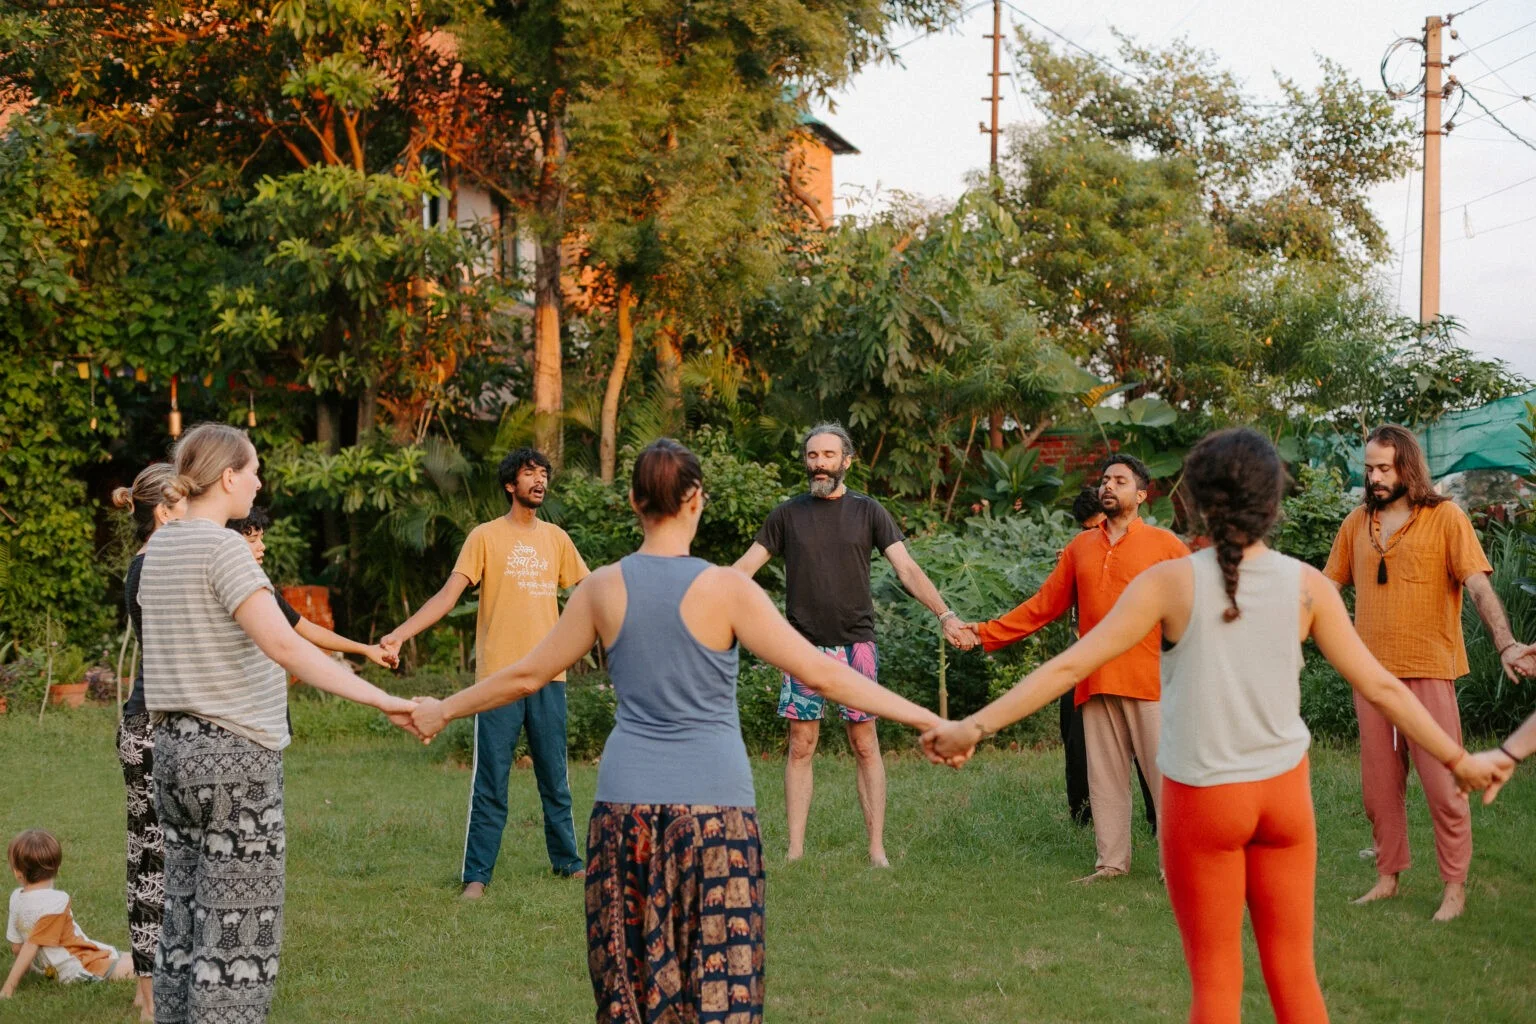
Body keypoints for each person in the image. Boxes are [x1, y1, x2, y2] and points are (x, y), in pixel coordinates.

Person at [924, 427, 1501, 1024]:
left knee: (1217, 984)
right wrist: (1461, 760)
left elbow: (1072, 662)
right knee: (1295, 976)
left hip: (1203, 802)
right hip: (1284, 800)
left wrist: (975, 726)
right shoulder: (1306, 586)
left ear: (1195, 503)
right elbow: (1381, 685)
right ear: (1273, 503)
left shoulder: (1166, 582)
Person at [406, 438, 948, 1023]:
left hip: (623, 819)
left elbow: (525, 675)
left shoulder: (600, 589)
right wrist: (931, 719)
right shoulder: (730, 591)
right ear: (697, 502)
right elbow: (822, 671)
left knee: (631, 997)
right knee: (721, 992)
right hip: (718, 819)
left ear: (637, 502)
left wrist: (443, 709)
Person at [139, 422, 418, 1024]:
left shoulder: (160, 546)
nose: (260, 480)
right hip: (234, 758)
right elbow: (287, 647)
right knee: (236, 940)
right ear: (229, 476)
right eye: (255, 469)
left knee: (183, 925)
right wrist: (383, 700)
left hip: (171, 754)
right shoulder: (223, 548)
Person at [732, 423, 968, 867]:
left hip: (856, 645)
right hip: (800, 647)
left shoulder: (868, 511)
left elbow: (908, 570)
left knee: (864, 743)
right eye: (812, 455)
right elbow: (742, 569)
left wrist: (946, 614)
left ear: (846, 461)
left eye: (827, 455)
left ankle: (876, 848)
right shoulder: (786, 515)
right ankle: (796, 851)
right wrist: (702, 602)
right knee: (801, 745)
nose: (818, 463)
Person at [1323, 424, 1534, 921]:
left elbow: (1478, 587)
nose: (1373, 477)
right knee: (1378, 791)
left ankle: (1454, 888)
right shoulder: (1357, 523)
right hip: (1371, 678)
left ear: (1407, 467)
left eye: (1383, 468)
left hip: (1429, 671)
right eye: (1368, 468)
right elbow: (1328, 586)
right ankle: (1387, 877)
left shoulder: (1446, 518)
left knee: (1444, 786)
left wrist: (1504, 643)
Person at [956, 455, 1189, 882]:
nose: (1108, 486)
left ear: (1140, 495)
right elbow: (1042, 608)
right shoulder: (1080, 548)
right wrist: (984, 634)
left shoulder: (1165, 546)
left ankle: (1176, 866)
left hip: (1151, 681)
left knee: (1166, 779)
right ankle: (1111, 864)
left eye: (1120, 481)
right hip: (1094, 678)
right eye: (1105, 480)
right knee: (1104, 780)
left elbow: (1193, 611)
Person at [381, 448, 589, 896]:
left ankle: (568, 862)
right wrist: (399, 634)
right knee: (491, 779)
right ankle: (477, 876)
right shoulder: (485, 537)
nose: (539, 480)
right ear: (510, 485)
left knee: (555, 776)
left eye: (543, 474)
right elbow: (446, 597)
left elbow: (591, 596)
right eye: (529, 473)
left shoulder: (557, 539)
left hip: (548, 678)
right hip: (497, 681)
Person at [111, 464, 187, 1022]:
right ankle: (147, 993)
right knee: (151, 860)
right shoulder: (151, 567)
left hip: (168, 724)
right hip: (150, 730)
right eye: (189, 499)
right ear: (164, 510)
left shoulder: (166, 560)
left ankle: (167, 983)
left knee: (169, 858)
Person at [1055, 487, 1158, 831]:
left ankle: (1159, 816)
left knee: (1149, 740)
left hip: (1134, 657)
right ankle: (1083, 816)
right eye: (1086, 529)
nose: (1094, 533)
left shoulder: (1143, 548)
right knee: (1075, 733)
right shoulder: (1080, 552)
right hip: (1083, 654)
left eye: (1097, 525)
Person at [227, 508, 395, 672]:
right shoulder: (224, 588)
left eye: (261, 538)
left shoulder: (264, 589)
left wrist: (365, 649)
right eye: (253, 539)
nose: (262, 546)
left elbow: (308, 629)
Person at [3, 829, 137, 999]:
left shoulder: (16, 898)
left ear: (17, 872)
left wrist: (37, 971)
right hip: (78, 966)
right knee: (145, 965)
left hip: (68, 961)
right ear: (57, 867)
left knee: (133, 956)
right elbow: (31, 945)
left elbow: (17, 948)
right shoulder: (57, 902)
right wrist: (8, 988)